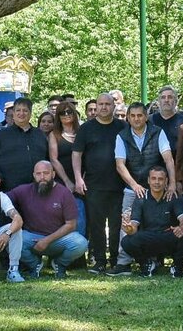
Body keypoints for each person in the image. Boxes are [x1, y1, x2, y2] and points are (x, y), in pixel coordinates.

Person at [108, 102, 176, 276]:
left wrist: (172, 184)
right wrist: (134, 185)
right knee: (127, 223)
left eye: (140, 115)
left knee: (156, 226)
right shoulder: (122, 136)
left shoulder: (158, 132)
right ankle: (123, 263)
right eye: (133, 116)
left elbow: (168, 159)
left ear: (146, 117)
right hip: (133, 188)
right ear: (128, 118)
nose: (136, 119)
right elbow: (120, 164)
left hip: (157, 188)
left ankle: (153, 260)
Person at [72, 93, 126, 274]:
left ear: (113, 106)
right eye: (100, 104)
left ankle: (116, 260)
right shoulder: (86, 128)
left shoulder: (123, 127)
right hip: (93, 185)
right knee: (97, 225)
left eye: (107, 104)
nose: (104, 107)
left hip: (118, 185)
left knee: (116, 225)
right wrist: (78, 178)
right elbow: (77, 154)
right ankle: (100, 261)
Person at [9, 161, 87, 278]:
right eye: (38, 174)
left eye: (46, 173)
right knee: (10, 239)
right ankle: (35, 264)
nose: (42, 177)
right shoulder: (23, 190)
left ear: (53, 174)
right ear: (34, 175)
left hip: (58, 239)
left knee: (81, 243)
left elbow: (71, 225)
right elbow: (2, 199)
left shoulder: (64, 193)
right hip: (32, 238)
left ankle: (59, 264)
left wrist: (46, 240)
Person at [120, 166, 183, 277]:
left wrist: (182, 228)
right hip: (148, 237)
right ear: (148, 180)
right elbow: (134, 226)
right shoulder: (141, 198)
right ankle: (146, 264)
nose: (157, 182)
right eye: (153, 178)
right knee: (127, 241)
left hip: (168, 236)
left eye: (160, 179)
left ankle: (177, 266)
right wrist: (129, 228)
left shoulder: (172, 196)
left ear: (166, 181)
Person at [0, 97, 49, 190]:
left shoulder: (40, 135)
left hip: (36, 190)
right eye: (18, 110)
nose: (21, 113)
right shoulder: (2, 135)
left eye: (25, 110)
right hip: (8, 190)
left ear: (30, 113)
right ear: (13, 113)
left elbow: (47, 160)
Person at [49, 101, 86, 236]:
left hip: (84, 180)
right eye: (62, 113)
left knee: (82, 215)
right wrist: (67, 181)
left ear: (74, 113)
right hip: (62, 180)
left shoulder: (83, 132)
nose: (66, 115)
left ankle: (81, 245)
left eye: (69, 112)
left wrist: (81, 178)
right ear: (58, 116)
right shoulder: (54, 134)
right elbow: (54, 159)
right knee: (65, 216)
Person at [150, 86, 183, 151]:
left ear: (176, 101)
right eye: (163, 97)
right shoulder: (150, 121)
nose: (166, 100)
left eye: (170, 97)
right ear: (159, 101)